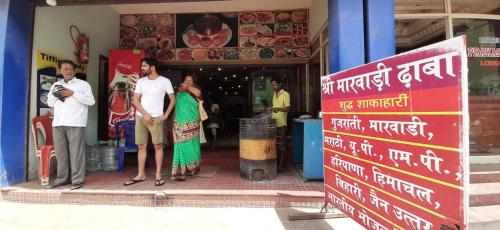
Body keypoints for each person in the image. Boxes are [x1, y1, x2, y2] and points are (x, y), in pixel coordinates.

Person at [124, 58, 175, 186]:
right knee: (141, 146)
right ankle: (140, 174)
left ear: (152, 67)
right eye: (142, 65)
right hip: (141, 117)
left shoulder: (165, 81)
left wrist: (166, 114)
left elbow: (172, 99)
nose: (142, 68)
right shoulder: (141, 81)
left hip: (157, 118)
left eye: (144, 66)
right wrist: (145, 113)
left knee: (158, 146)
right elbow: (135, 100)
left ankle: (158, 175)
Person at [47, 60, 95, 190]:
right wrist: (57, 95)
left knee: (76, 153)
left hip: (76, 122)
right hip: (58, 122)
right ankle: (62, 179)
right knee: (61, 153)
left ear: (74, 71)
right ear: (60, 71)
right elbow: (50, 103)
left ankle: (77, 180)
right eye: (65, 69)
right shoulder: (56, 84)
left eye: (70, 69)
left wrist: (73, 93)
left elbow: (91, 101)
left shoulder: (83, 85)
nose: (68, 71)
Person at [171, 75, 203, 181]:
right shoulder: (179, 92)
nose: (187, 82)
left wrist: (187, 87)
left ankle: (193, 166)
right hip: (180, 122)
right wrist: (181, 89)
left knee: (192, 143)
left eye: (190, 81)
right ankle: (181, 169)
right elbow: (174, 102)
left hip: (192, 122)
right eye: (186, 80)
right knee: (180, 143)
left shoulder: (195, 91)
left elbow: (198, 94)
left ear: (194, 83)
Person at [271, 77, 290, 172]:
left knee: (282, 146)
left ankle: (282, 166)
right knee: (275, 146)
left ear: (279, 84)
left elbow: (287, 109)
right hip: (274, 124)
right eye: (272, 85)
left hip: (282, 124)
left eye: (274, 85)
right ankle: (277, 164)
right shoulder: (274, 94)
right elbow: (274, 108)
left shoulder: (285, 94)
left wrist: (278, 109)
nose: (273, 87)